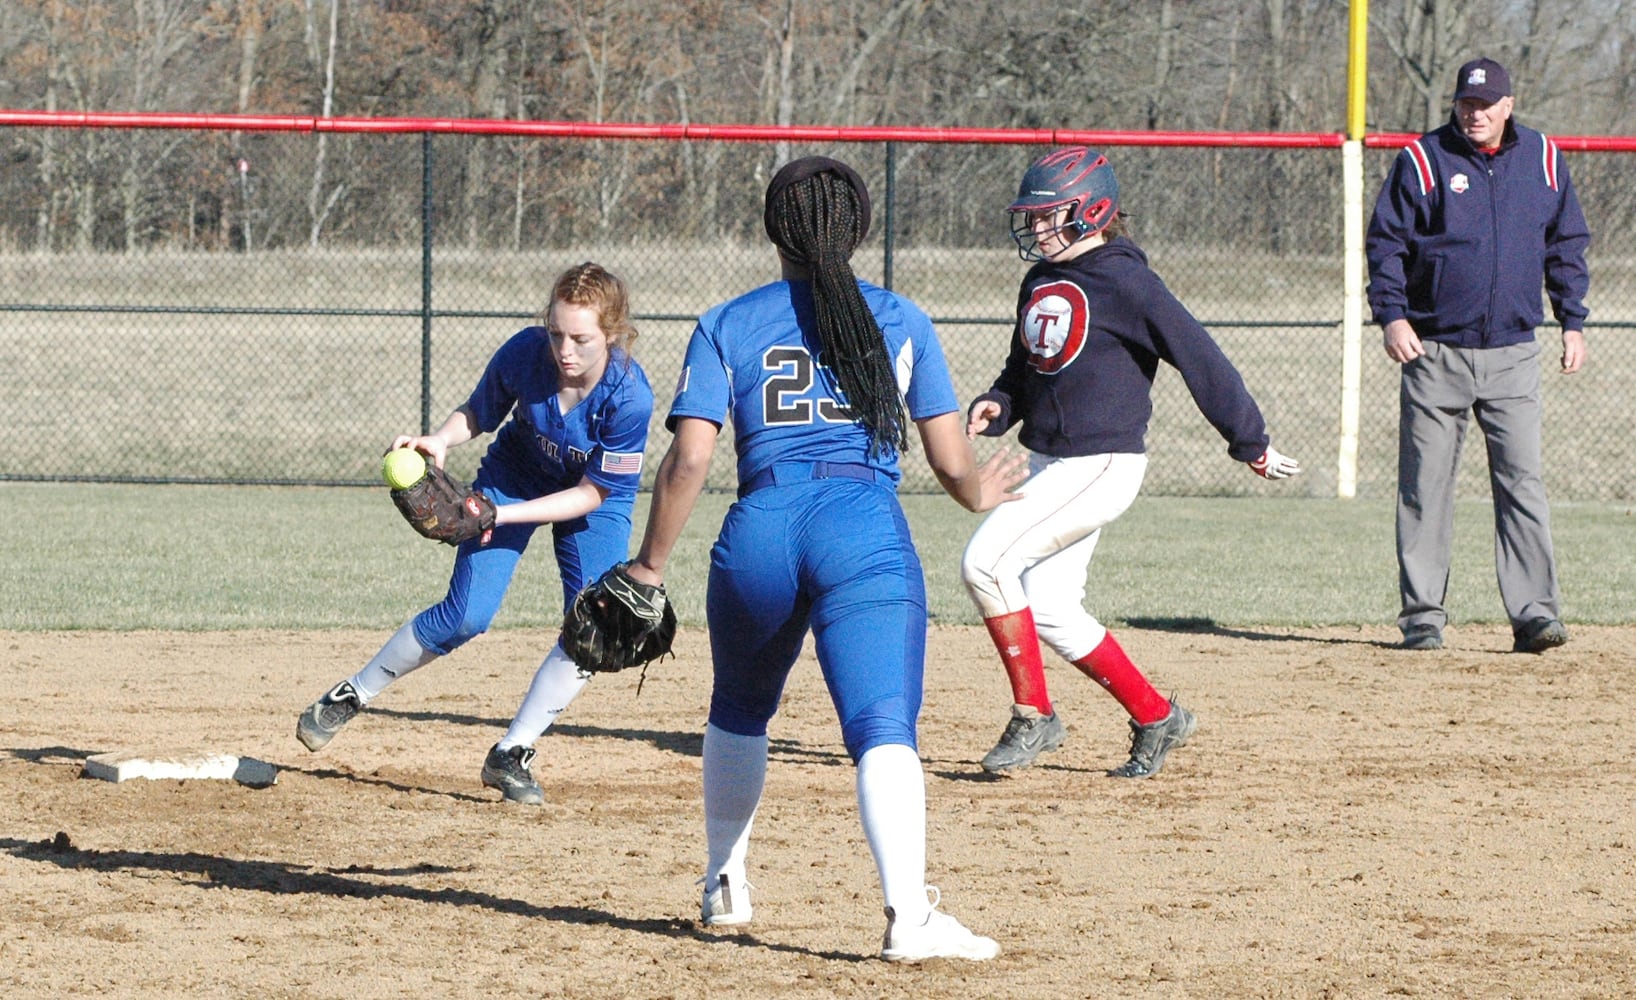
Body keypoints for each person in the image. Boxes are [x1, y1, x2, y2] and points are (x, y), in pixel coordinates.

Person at [618, 155, 1024, 962]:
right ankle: (909, 918)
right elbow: (949, 461)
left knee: (738, 708)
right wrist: (978, 494)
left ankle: (725, 879)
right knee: (881, 726)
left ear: (774, 230)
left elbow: (689, 463)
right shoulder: (900, 317)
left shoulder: (727, 321)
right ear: (859, 228)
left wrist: (649, 567)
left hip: (759, 527)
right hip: (861, 528)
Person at [963, 146, 1302, 780]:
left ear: (1092, 212)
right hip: (1053, 464)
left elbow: (1200, 357)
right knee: (1053, 607)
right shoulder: (1039, 279)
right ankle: (1155, 716)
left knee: (984, 563)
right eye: (1030, 217)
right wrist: (998, 404)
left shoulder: (1128, 281)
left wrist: (1249, 440)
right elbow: (1026, 367)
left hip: (1102, 462)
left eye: (1048, 216)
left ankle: (1034, 714)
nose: (1035, 229)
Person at [295, 261, 655, 805]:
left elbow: (591, 495)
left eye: (581, 338)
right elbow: (478, 411)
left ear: (612, 333)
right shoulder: (525, 352)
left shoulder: (629, 396)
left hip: (590, 498)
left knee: (595, 628)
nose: (565, 350)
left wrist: (496, 516)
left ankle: (511, 753)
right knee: (467, 614)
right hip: (516, 473)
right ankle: (353, 693)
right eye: (557, 333)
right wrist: (440, 440)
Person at [1366, 57, 1590, 654]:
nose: (1476, 113)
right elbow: (1385, 245)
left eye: (1487, 103)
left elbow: (1566, 243)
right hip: (1433, 349)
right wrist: (1392, 316)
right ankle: (1422, 619)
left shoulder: (1543, 159)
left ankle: (1535, 615)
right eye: (1467, 103)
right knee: (1425, 488)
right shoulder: (1423, 159)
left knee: (1522, 484)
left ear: (1508, 105)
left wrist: (1572, 320)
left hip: (1514, 352)